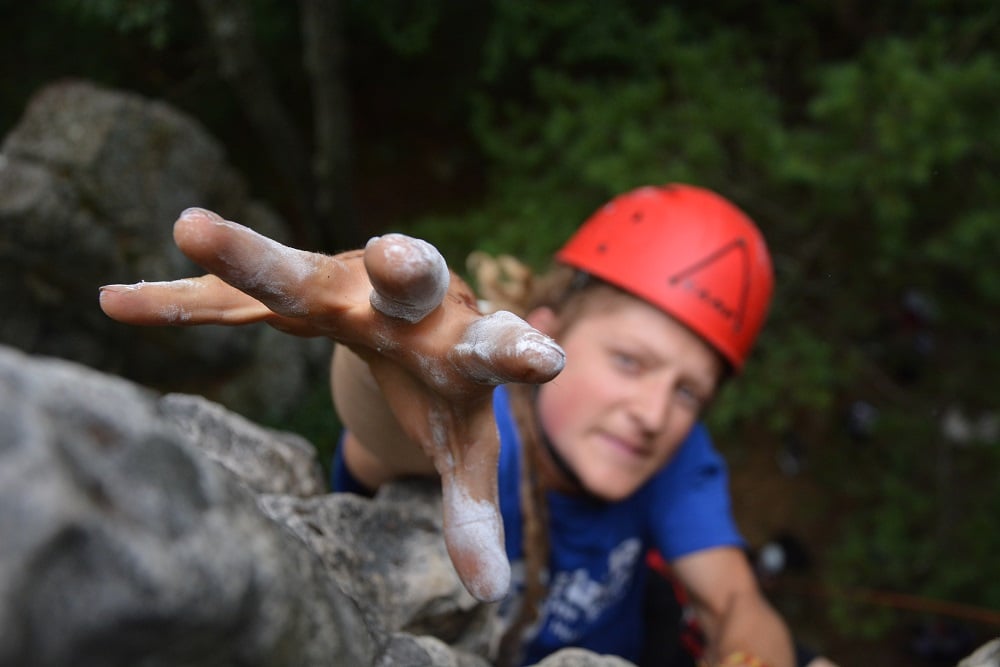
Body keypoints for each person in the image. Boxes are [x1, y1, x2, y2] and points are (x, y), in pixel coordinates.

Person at [99, 184, 806, 667]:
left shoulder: (675, 457)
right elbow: (386, 437)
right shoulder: (474, 431)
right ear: (547, 327)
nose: (655, 413)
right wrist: (384, 341)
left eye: (689, 392)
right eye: (629, 360)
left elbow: (735, 598)